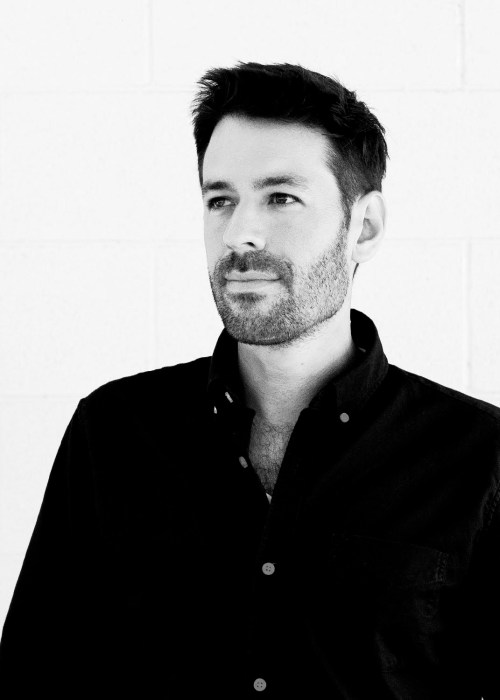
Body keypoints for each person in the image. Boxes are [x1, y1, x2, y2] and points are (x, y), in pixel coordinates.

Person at [0, 61, 499, 699]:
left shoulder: (477, 456)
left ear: (364, 227)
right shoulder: (114, 433)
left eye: (280, 197)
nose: (240, 234)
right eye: (220, 200)